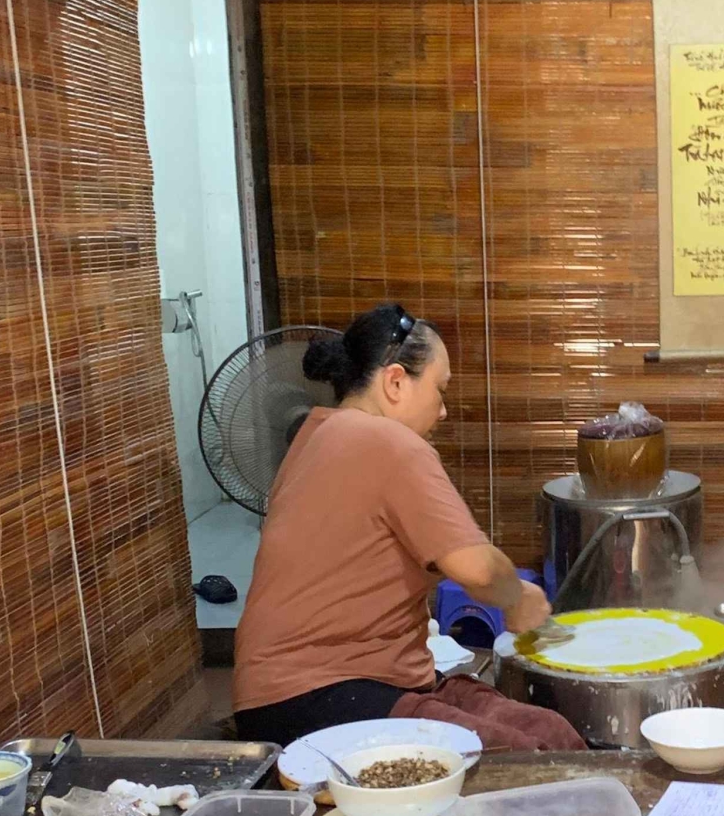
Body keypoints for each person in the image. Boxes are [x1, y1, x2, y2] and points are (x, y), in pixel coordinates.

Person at [232, 303, 553, 746]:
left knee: (548, 732)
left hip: (341, 684)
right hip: (311, 693)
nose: (443, 411)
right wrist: (519, 597)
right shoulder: (387, 441)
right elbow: (478, 570)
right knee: (526, 754)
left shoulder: (315, 433)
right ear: (396, 381)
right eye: (440, 389)